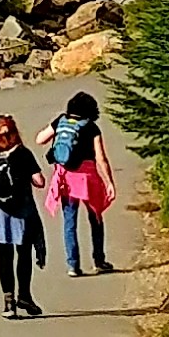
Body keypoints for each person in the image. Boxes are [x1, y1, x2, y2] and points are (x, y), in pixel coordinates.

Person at [40, 88, 116, 275]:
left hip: (65, 177)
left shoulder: (60, 121)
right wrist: (109, 182)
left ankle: (73, 265)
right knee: (96, 218)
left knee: (69, 222)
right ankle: (99, 260)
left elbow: (40, 139)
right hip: (88, 179)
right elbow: (101, 158)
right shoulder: (91, 127)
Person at [0, 114, 46, 316]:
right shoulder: (23, 153)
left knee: (4, 257)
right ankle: (24, 295)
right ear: (15, 131)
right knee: (24, 253)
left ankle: (9, 303)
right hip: (21, 211)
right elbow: (39, 181)